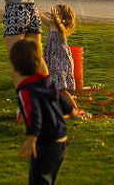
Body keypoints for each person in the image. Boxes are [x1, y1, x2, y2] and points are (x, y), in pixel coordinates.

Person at [10, 38, 77, 185]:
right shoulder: (47, 82)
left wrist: (31, 137)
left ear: (14, 67)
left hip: (45, 142)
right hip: (61, 140)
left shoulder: (25, 91)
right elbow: (59, 100)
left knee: (39, 180)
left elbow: (34, 114)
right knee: (48, 179)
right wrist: (71, 111)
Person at [40, 5, 78, 109]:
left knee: (61, 88)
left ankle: (75, 109)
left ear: (63, 19)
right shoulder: (51, 24)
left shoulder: (61, 29)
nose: (52, 13)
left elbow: (59, 25)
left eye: (57, 13)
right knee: (52, 85)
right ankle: (57, 106)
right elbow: (41, 16)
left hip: (60, 61)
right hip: (51, 60)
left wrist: (55, 18)